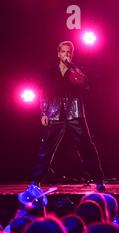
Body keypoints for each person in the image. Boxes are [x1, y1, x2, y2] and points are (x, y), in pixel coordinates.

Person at [29, 40, 105, 191]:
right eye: (63, 52)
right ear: (58, 54)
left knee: (86, 147)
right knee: (46, 148)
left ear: (72, 54)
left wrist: (73, 68)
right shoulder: (50, 73)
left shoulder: (77, 72)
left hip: (74, 114)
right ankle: (35, 182)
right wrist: (43, 112)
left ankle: (99, 180)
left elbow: (86, 86)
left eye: (69, 52)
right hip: (54, 113)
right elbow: (44, 93)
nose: (66, 55)